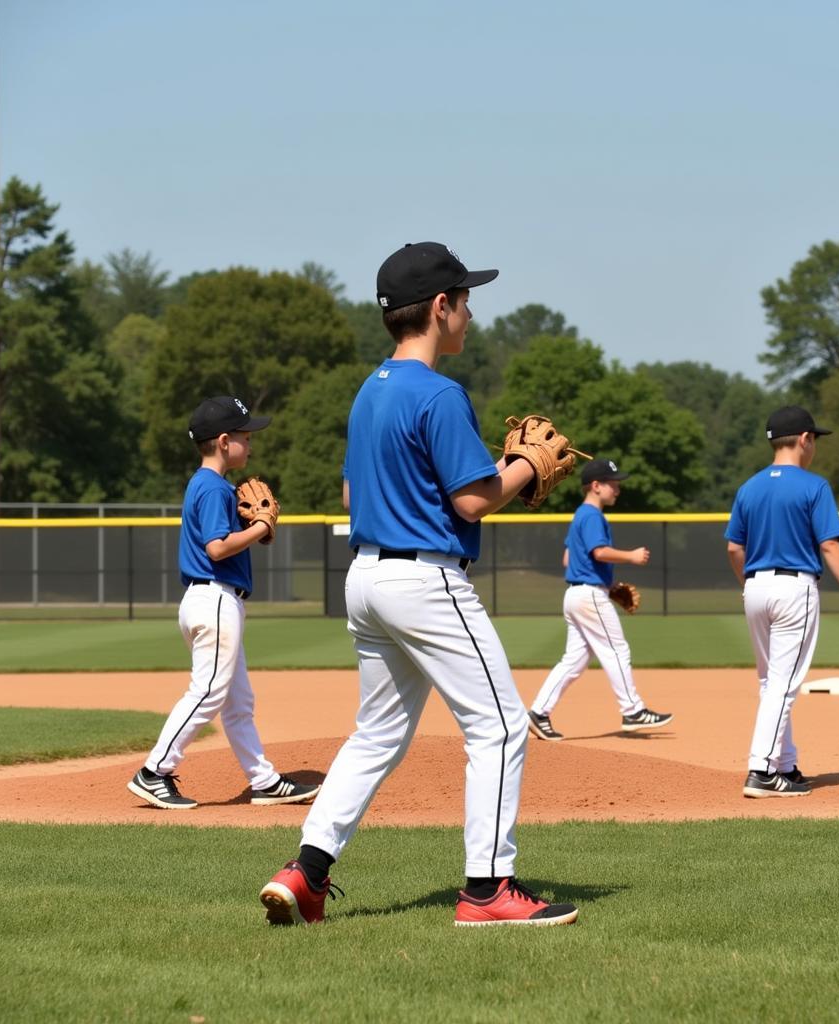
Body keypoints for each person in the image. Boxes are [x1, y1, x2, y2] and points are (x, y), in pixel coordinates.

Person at [260, 242, 578, 927]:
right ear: (440, 307)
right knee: (497, 727)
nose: (470, 313)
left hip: (367, 576)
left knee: (376, 734)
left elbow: (418, 483)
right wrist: (525, 467)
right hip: (424, 581)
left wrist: (505, 463)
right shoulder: (439, 392)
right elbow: (472, 502)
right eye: (465, 300)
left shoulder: (370, 390)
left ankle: (306, 873)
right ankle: (489, 889)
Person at [127, 396, 320, 810]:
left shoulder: (211, 486)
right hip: (214, 597)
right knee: (210, 691)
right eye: (245, 437)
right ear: (222, 441)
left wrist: (252, 528)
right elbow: (217, 548)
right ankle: (153, 771)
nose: (250, 445)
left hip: (212, 599)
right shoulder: (212, 487)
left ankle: (263, 781)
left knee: (237, 702)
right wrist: (262, 527)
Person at [724, 405, 839, 798]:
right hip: (794, 589)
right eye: (814, 438)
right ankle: (762, 771)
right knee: (783, 686)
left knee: (771, 681)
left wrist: (748, 584)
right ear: (804, 439)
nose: (815, 445)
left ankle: (784, 765)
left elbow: (735, 548)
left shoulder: (748, 487)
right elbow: (829, 544)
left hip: (754, 586)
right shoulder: (812, 485)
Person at [527, 458, 673, 741]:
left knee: (574, 661)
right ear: (596, 486)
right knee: (617, 649)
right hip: (589, 594)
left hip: (575, 593)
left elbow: (567, 558)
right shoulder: (593, 516)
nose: (617, 490)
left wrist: (608, 582)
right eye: (613, 485)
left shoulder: (580, 515)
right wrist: (630, 556)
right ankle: (633, 710)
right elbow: (598, 552)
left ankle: (538, 712)